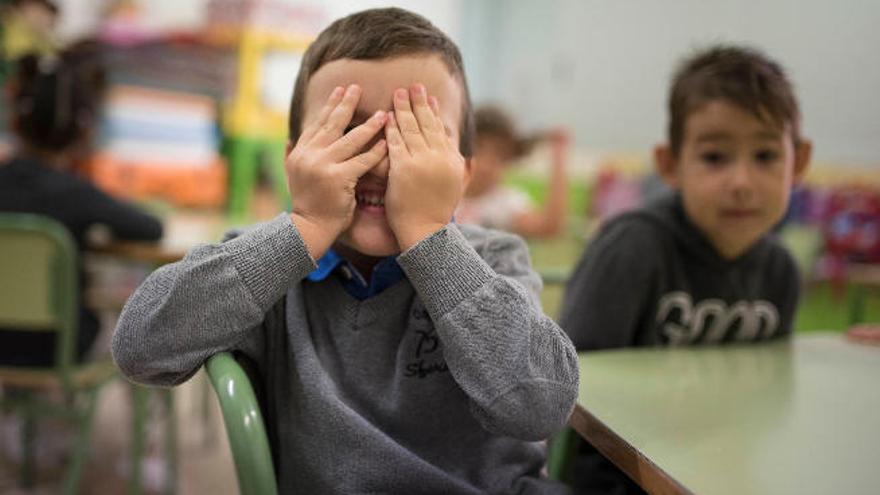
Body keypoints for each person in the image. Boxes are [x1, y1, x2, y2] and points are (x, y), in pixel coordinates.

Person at [113, 8, 578, 494]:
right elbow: (140, 349)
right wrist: (307, 226)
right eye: (346, 132)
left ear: (461, 173)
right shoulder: (266, 268)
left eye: (412, 132)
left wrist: (428, 235)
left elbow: (539, 405)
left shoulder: (494, 259)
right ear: (296, 159)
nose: (378, 161)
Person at [558, 45, 812, 494]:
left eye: (766, 156)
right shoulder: (634, 248)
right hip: (617, 481)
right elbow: (571, 392)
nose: (741, 182)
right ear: (670, 165)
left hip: (728, 474)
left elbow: (767, 403)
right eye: (715, 157)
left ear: (800, 163)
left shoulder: (781, 271)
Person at [0, 45, 163, 366]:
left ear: (16, 123)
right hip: (59, 346)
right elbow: (151, 228)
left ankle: (21, 411)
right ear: (84, 132)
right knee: (126, 331)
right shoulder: (77, 194)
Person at [456, 105, 570, 238]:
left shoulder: (508, 203)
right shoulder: (444, 197)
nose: (486, 165)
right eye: (478, 148)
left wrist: (559, 158)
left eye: (499, 154)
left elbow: (549, 227)